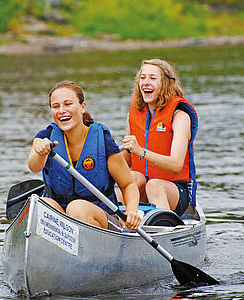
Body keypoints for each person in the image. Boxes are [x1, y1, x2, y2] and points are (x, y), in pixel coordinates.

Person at [28, 80, 141, 232]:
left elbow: (128, 184)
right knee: (42, 205)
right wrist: (40, 152)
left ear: (82, 107)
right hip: (62, 219)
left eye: (68, 104)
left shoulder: (102, 140)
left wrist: (131, 211)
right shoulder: (45, 136)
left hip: (101, 216)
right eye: (56, 106)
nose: (61, 110)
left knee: (77, 208)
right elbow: (34, 166)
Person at [120, 59, 198, 216]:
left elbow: (176, 165)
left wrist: (141, 152)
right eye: (142, 78)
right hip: (144, 189)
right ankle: (122, 225)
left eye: (153, 78)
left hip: (175, 191)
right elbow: (125, 160)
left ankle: (165, 227)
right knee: (133, 178)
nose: (146, 83)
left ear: (166, 83)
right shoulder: (134, 114)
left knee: (154, 185)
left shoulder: (180, 115)